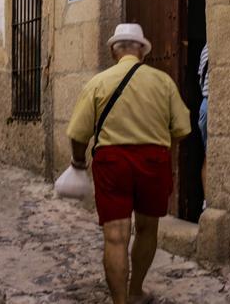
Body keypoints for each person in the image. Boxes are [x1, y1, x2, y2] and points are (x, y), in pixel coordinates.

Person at [67, 23, 191, 304]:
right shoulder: (163, 82)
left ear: (113, 51)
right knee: (148, 229)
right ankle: (136, 290)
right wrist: (162, 152)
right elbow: (182, 129)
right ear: (142, 53)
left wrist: (77, 162)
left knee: (115, 236)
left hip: (112, 163)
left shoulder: (98, 83)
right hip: (153, 159)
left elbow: (77, 134)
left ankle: (120, 301)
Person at [197, 43, 209, 209]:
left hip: (205, 103)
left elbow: (201, 78)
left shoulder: (206, 48)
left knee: (209, 155)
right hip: (216, 100)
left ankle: (207, 202)